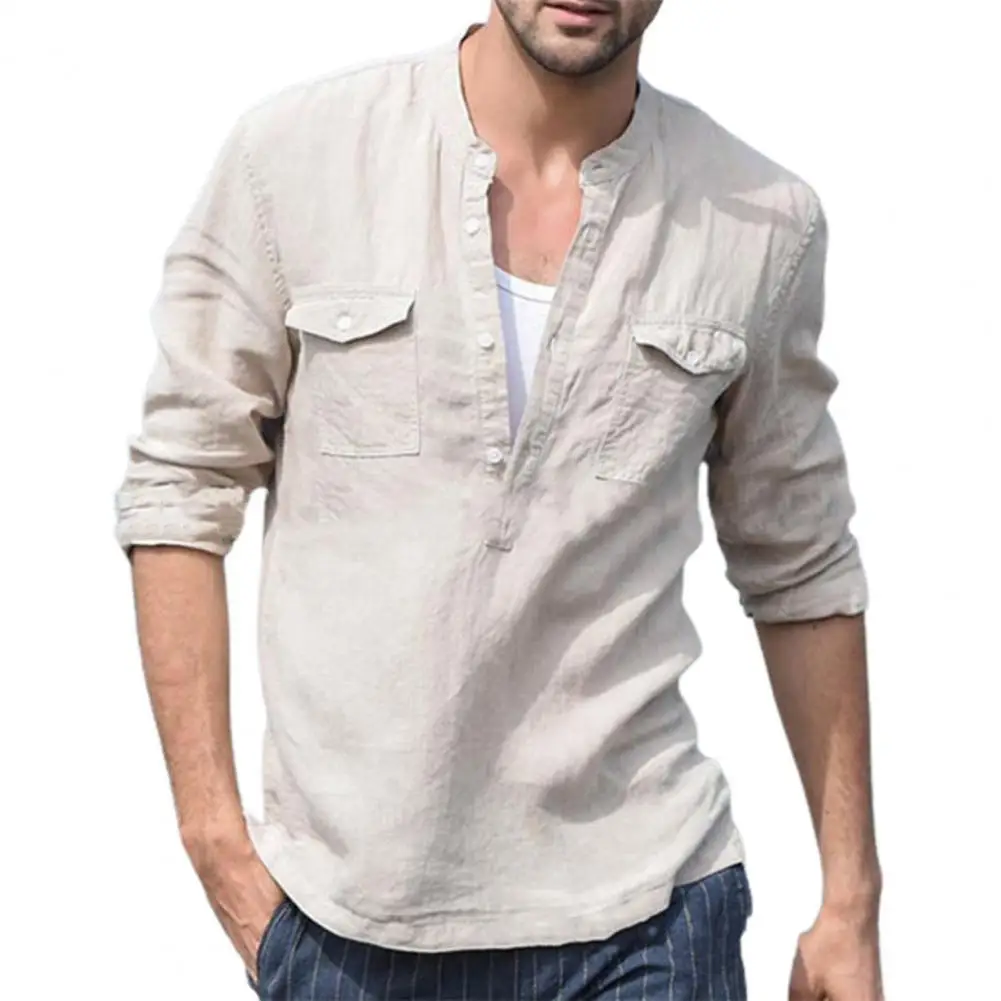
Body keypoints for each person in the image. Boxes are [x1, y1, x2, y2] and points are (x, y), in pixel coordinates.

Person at [114, 2, 883, 998]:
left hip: (647, 915)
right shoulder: (295, 161)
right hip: (347, 920)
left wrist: (849, 900)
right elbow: (181, 484)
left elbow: (801, 562)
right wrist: (214, 837)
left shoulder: (761, 220)